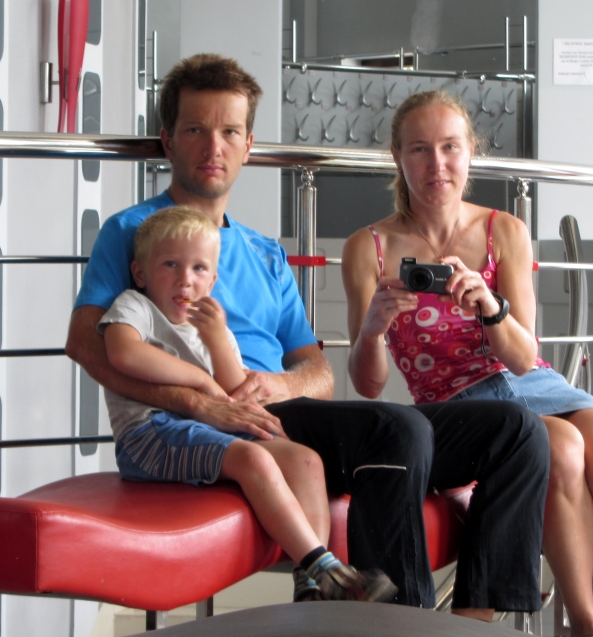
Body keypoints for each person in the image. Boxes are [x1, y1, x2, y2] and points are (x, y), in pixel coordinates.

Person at [65, 53, 547, 613]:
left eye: (229, 132)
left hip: (284, 411)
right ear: (168, 141)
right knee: (397, 429)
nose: (213, 147)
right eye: (195, 130)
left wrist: (280, 384)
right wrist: (200, 403)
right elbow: (87, 345)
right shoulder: (134, 232)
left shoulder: (265, 252)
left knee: (516, 429)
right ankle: (399, 626)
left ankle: (471, 622)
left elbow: (317, 374)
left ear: (249, 145)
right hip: (219, 424)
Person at [342, 89, 593, 637]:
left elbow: (522, 358)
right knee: (562, 449)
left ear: (471, 152)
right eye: (420, 149)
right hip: (456, 405)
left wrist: (490, 307)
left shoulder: (504, 230)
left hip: (533, 383)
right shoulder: (368, 246)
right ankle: (587, 624)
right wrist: (372, 329)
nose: (437, 164)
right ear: (397, 156)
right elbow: (368, 385)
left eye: (450, 147)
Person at [98, 206, 395, 602]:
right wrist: (200, 380)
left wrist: (217, 340)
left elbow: (233, 388)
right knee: (253, 459)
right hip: (150, 434)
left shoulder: (212, 328)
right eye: (170, 265)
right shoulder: (137, 307)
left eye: (199, 269)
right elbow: (123, 353)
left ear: (213, 280)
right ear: (140, 273)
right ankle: (326, 569)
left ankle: (311, 586)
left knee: (306, 460)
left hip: (206, 429)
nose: (185, 279)